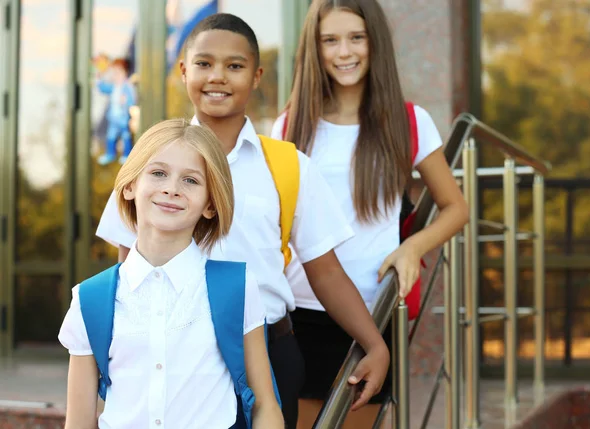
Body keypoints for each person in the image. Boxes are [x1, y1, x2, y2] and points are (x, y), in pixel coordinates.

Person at [95, 13, 390, 429]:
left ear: (256, 76)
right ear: (183, 71)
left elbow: (324, 272)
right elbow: (129, 272)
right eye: (204, 63)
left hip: (269, 353)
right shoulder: (152, 162)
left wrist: (374, 343)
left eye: (234, 66)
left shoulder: (289, 166)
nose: (218, 76)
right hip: (173, 356)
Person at [273, 0, 470, 427]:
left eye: (356, 38)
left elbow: (456, 207)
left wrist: (412, 247)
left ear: (374, 42)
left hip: (373, 309)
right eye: (330, 40)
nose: (344, 52)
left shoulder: (408, 120)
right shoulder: (290, 125)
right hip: (302, 310)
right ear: (314, 48)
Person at [59, 119, 284, 428]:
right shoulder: (89, 299)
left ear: (210, 204)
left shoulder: (237, 288)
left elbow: (265, 406)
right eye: (158, 173)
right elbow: (79, 422)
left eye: (191, 180)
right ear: (129, 186)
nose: (171, 188)